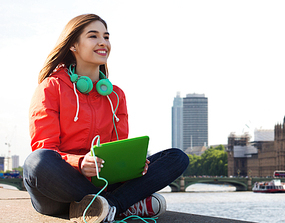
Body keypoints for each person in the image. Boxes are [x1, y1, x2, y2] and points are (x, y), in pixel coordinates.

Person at [23, 14, 189, 223]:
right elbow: (45, 147)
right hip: (60, 187)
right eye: (93, 36)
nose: (103, 42)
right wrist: (81, 163)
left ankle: (107, 206)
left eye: (106, 37)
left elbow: (117, 151)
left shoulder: (115, 95)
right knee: (36, 161)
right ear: (73, 45)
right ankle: (121, 204)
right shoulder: (51, 87)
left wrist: (134, 166)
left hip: (101, 181)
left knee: (177, 157)